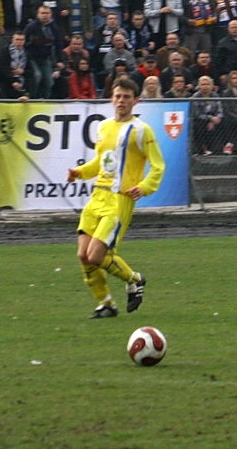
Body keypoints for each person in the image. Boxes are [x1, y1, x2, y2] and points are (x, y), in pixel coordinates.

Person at [66, 78, 165, 319]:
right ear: (112, 98)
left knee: (97, 255)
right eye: (118, 96)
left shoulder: (142, 130)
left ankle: (134, 280)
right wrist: (79, 173)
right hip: (97, 196)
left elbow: (158, 165)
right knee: (83, 255)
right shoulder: (104, 127)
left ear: (135, 101)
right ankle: (106, 304)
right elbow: (101, 162)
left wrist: (145, 187)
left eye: (126, 97)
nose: (121, 101)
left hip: (119, 200)